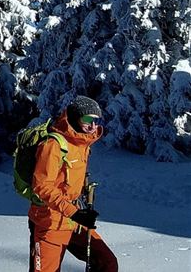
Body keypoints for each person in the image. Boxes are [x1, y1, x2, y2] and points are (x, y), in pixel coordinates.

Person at [28, 96, 118, 272]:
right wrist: (75, 213)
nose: (93, 126)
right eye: (87, 119)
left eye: (96, 120)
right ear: (76, 117)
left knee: (107, 262)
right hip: (49, 221)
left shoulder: (82, 142)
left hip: (72, 219)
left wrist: (83, 195)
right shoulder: (53, 145)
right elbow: (41, 186)